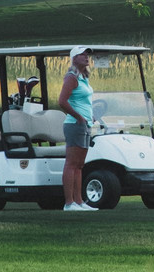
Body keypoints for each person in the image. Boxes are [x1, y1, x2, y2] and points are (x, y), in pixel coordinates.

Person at [58, 45, 97, 212]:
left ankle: (79, 201)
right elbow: (62, 101)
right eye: (83, 55)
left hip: (85, 124)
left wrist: (88, 117)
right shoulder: (71, 77)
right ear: (74, 58)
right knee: (72, 163)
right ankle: (69, 203)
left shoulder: (83, 77)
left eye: (87, 55)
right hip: (75, 124)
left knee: (80, 165)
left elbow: (84, 102)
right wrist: (79, 117)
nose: (86, 57)